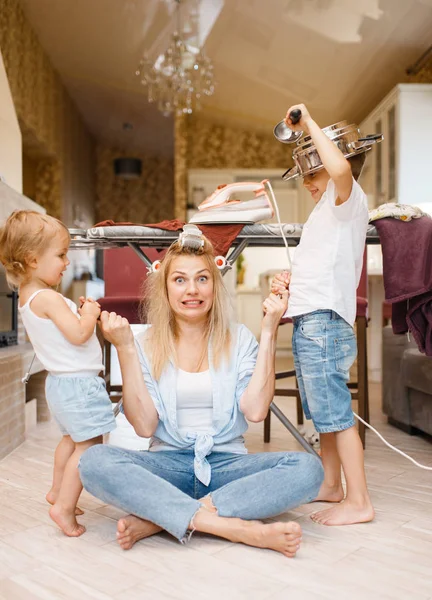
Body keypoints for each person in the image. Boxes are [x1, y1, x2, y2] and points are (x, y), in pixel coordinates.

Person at [78, 225, 324, 557]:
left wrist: (268, 329)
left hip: (226, 466)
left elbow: (255, 411)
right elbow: (145, 427)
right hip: (167, 465)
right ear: (165, 289)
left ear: (214, 286)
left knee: (308, 470)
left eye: (202, 279)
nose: (191, 290)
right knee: (94, 461)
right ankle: (234, 528)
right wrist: (125, 348)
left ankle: (161, 518)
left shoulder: (238, 339)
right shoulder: (145, 343)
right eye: (180, 279)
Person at [271, 104, 375, 526]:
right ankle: (332, 484)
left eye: (312, 174)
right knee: (323, 414)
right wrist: (291, 278)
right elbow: (323, 265)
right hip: (310, 319)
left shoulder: (347, 196)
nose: (309, 184)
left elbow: (339, 171)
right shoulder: (326, 213)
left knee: (335, 412)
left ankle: (360, 500)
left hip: (324, 324)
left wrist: (310, 124)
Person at [0, 210, 116, 537]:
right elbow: (79, 335)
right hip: (78, 385)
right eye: (61, 255)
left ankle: (56, 491)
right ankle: (63, 508)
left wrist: (76, 314)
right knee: (89, 446)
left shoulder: (28, 297)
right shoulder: (49, 298)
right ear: (32, 260)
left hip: (61, 384)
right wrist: (90, 313)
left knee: (70, 440)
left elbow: (63, 335)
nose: (66, 262)